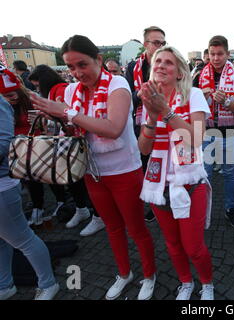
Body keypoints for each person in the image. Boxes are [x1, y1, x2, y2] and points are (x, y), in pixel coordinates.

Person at [30, 35, 157, 300]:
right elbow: (77, 129)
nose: (77, 73)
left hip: (124, 171)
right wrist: (55, 119)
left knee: (135, 228)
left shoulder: (117, 83)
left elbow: (113, 128)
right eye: (71, 67)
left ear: (98, 60)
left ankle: (149, 275)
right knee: (112, 227)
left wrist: (67, 113)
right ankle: (124, 273)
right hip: (92, 171)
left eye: (82, 64)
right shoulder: (72, 91)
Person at [138, 46, 214, 300]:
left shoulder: (194, 95)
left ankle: (207, 283)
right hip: (159, 185)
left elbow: (197, 138)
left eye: (168, 62)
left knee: (194, 247)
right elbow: (144, 148)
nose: (160, 65)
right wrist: (151, 116)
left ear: (180, 72)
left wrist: (166, 112)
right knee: (172, 243)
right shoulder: (148, 100)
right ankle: (185, 282)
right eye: (157, 61)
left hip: (190, 182)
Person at [28, 65, 106, 236]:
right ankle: (83, 209)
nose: (37, 89)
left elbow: (70, 116)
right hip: (67, 141)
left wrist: (49, 114)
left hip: (73, 141)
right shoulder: (57, 90)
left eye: (38, 85)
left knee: (82, 180)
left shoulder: (61, 89)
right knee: (74, 180)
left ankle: (96, 214)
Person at [0, 92, 59, 300]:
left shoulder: (2, 104)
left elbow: (3, 144)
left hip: (4, 184)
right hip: (9, 178)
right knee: (3, 240)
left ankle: (48, 283)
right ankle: (4, 285)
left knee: (23, 239)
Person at [193, 35, 234, 228]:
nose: (216, 58)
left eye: (220, 54)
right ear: (208, 54)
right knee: (204, 174)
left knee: (230, 173)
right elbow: (191, 106)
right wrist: (201, 96)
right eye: (212, 54)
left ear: (227, 54)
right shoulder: (199, 77)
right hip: (207, 132)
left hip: (230, 132)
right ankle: (203, 209)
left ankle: (230, 208)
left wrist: (226, 102)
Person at [0, 67, 66, 226]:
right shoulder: (4, 107)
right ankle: (38, 207)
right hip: (19, 148)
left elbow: (54, 123)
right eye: (6, 96)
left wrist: (42, 119)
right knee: (31, 180)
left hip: (38, 144)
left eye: (13, 93)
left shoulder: (32, 99)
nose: (12, 98)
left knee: (48, 176)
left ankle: (61, 202)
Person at [125, 26, 166, 223]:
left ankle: (165, 196)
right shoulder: (133, 67)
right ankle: (151, 201)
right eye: (156, 42)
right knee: (145, 162)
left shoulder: (168, 63)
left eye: (163, 43)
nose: (160, 46)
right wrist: (138, 95)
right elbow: (126, 99)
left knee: (164, 158)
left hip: (166, 118)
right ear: (145, 45)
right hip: (141, 120)